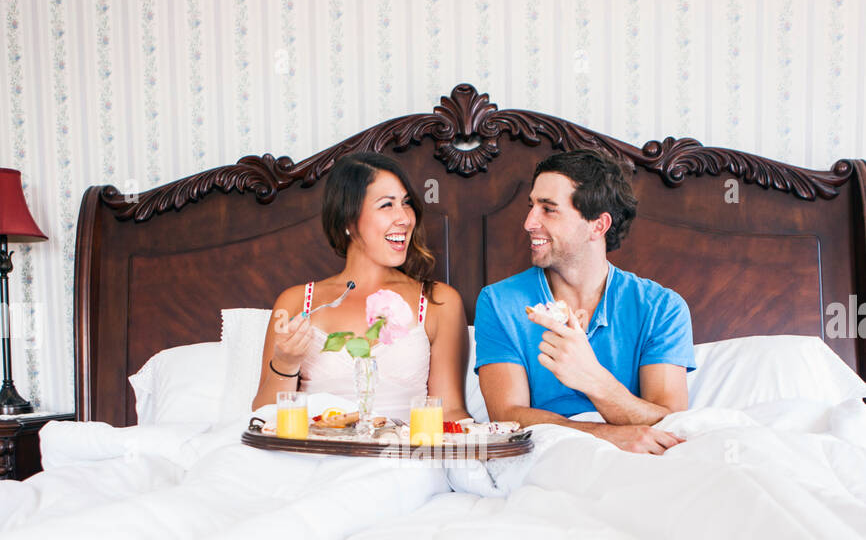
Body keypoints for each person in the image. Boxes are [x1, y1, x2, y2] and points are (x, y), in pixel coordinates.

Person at [473, 150, 695, 453]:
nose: (528, 222)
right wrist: (605, 436)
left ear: (598, 225)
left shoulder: (662, 308)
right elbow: (507, 416)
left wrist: (593, 379)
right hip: (546, 456)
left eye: (548, 209)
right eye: (532, 206)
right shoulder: (499, 302)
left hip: (639, 460)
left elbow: (670, 422)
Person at [253, 152, 468, 420]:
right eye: (387, 205)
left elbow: (450, 412)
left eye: (407, 203)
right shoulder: (296, 302)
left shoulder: (439, 301)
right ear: (348, 220)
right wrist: (285, 363)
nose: (404, 218)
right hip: (313, 456)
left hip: (401, 457)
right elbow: (264, 417)